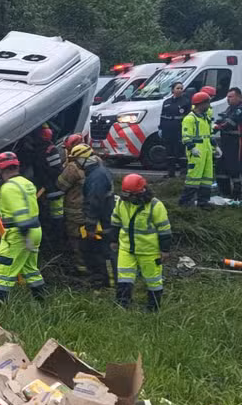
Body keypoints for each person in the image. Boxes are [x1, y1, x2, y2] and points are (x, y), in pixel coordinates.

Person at [111, 173, 172, 311]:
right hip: (127, 248)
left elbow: (164, 230)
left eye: (130, 195)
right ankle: (122, 304)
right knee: (124, 277)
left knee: (153, 280)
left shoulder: (155, 206)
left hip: (149, 251)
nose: (127, 198)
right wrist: (113, 240)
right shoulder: (122, 202)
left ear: (140, 192)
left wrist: (165, 250)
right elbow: (115, 221)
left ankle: (153, 307)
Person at [0, 151, 45, 304]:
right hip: (36, 230)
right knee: (30, 268)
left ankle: (1, 307)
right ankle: (41, 301)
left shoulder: (8, 188)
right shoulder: (27, 183)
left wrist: (24, 234)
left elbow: (20, 212)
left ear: (0, 169)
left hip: (19, 233)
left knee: (3, 269)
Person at [81, 146, 116, 289]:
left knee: (104, 253)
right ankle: (107, 281)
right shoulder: (99, 171)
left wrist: (90, 226)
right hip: (106, 220)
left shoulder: (96, 178)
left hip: (104, 223)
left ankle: (109, 283)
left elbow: (94, 203)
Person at [57, 142, 89, 275]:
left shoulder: (73, 168)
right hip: (90, 210)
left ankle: (82, 270)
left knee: (76, 239)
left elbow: (61, 184)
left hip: (75, 212)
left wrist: (64, 167)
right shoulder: (96, 162)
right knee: (89, 236)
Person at [180, 91, 214, 208]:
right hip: (197, 151)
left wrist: (215, 146)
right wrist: (192, 148)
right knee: (193, 177)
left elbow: (209, 134)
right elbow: (186, 136)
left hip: (206, 150)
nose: (209, 106)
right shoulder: (190, 119)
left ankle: (203, 202)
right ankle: (185, 202)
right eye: (207, 103)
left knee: (207, 177)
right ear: (200, 104)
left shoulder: (205, 118)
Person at [31, 128, 64, 234]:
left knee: (57, 214)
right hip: (45, 185)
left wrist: (46, 177)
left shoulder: (51, 150)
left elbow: (56, 170)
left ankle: (58, 234)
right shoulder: (40, 149)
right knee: (50, 212)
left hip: (54, 188)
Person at [215, 87, 242, 199]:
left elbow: (230, 122)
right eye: (227, 97)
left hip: (236, 143)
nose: (228, 99)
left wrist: (218, 126)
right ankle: (225, 192)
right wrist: (218, 123)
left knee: (234, 168)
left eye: (231, 97)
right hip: (226, 142)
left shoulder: (239, 109)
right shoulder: (230, 108)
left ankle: (237, 194)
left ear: (239, 97)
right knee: (222, 167)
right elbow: (222, 118)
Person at [160, 82, 191, 178]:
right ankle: (171, 173)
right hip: (168, 130)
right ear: (173, 90)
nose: (180, 90)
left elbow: (188, 117)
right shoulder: (167, 102)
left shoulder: (185, 102)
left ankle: (183, 173)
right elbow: (162, 116)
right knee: (169, 153)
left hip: (180, 130)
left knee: (181, 152)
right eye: (178, 88)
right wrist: (160, 128)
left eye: (181, 88)